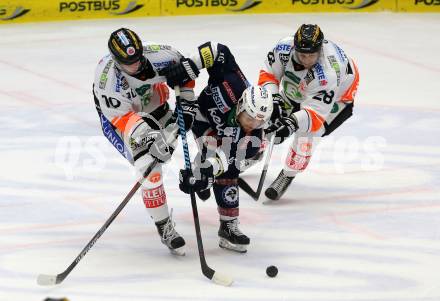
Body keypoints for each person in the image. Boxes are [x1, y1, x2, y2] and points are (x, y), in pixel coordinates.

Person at [92, 28, 199, 255]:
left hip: (154, 105)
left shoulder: (162, 55)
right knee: (149, 169)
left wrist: (187, 100)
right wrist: (151, 139)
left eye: (138, 58)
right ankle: (164, 226)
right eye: (128, 63)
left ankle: (206, 171)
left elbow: (185, 72)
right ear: (116, 60)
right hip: (121, 120)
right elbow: (122, 118)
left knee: (200, 120)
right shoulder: (107, 80)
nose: (136, 65)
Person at [160, 42, 273, 253]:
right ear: (241, 105)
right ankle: (202, 179)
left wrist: (205, 172)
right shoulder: (233, 83)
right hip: (201, 116)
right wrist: (190, 65)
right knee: (207, 158)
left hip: (225, 143)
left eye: (259, 122)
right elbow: (217, 50)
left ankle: (228, 226)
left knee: (227, 171)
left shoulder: (251, 137)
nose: (252, 125)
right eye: (250, 118)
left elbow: (223, 159)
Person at [259, 24, 360, 200]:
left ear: (319, 50)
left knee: (306, 137)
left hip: (338, 99)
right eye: (302, 54)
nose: (306, 60)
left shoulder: (328, 72)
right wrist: (274, 99)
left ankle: (288, 174)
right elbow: (268, 74)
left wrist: (291, 123)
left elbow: (315, 115)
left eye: (311, 55)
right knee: (266, 117)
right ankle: (255, 151)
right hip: (299, 88)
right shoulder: (284, 48)